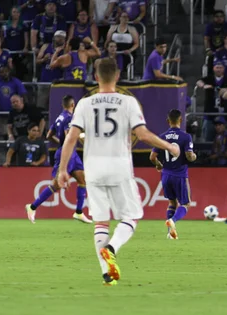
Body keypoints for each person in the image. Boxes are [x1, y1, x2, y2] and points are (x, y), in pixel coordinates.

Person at [56, 57, 180, 286]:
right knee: (132, 216)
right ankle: (112, 248)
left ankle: (107, 273)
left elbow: (71, 138)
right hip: (119, 166)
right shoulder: (127, 102)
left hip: (93, 168)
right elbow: (142, 135)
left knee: (101, 222)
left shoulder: (84, 103)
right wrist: (169, 145)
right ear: (118, 77)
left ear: (95, 77)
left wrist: (62, 169)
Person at [25, 95, 92, 224]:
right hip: (67, 154)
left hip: (71, 152)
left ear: (63, 105)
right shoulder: (69, 118)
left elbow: (49, 135)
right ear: (73, 105)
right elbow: (69, 137)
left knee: (83, 179)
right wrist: (81, 136)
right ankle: (32, 207)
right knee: (57, 184)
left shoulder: (59, 117)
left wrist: (60, 143)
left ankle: (78, 212)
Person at [149, 109, 196, 240]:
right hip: (180, 175)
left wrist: (158, 165)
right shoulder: (186, 137)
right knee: (185, 204)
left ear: (167, 121)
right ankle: (173, 220)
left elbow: (152, 157)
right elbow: (189, 156)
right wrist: (194, 156)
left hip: (166, 175)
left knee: (171, 202)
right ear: (181, 120)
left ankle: (170, 233)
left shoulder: (162, 137)